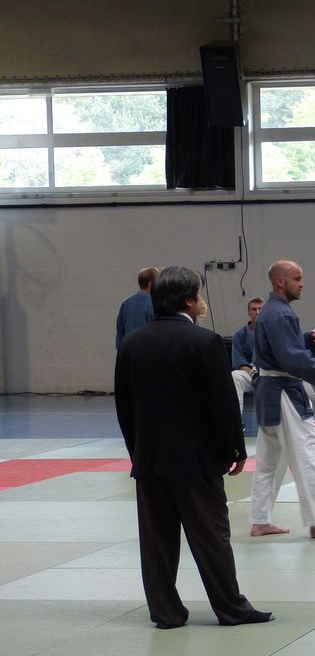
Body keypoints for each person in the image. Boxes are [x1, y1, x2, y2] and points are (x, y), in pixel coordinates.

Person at [114, 266, 272, 629]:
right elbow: (222, 404)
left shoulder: (132, 344)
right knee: (212, 537)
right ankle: (231, 608)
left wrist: (138, 451)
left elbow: (124, 407)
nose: (202, 302)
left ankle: (165, 612)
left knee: (157, 543)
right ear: (188, 299)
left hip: (150, 459)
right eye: (199, 295)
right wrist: (235, 450)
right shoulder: (204, 342)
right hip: (196, 460)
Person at [249, 260, 315, 539]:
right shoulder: (280, 313)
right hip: (283, 393)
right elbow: (290, 358)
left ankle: (260, 520)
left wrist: (308, 337)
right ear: (280, 282)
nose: (302, 283)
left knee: (270, 460)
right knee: (308, 454)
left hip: (268, 392)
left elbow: (283, 347)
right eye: (297, 278)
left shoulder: (272, 312)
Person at [231, 297, 264, 415]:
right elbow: (238, 362)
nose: (257, 312)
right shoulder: (239, 336)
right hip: (251, 373)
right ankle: (237, 421)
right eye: (254, 309)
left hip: (270, 373)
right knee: (235, 376)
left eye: (260, 309)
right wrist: (253, 374)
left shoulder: (274, 331)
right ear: (249, 313)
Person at [115, 267, 159, 348]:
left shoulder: (126, 303)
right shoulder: (154, 304)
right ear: (150, 284)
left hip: (128, 351)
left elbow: (120, 331)